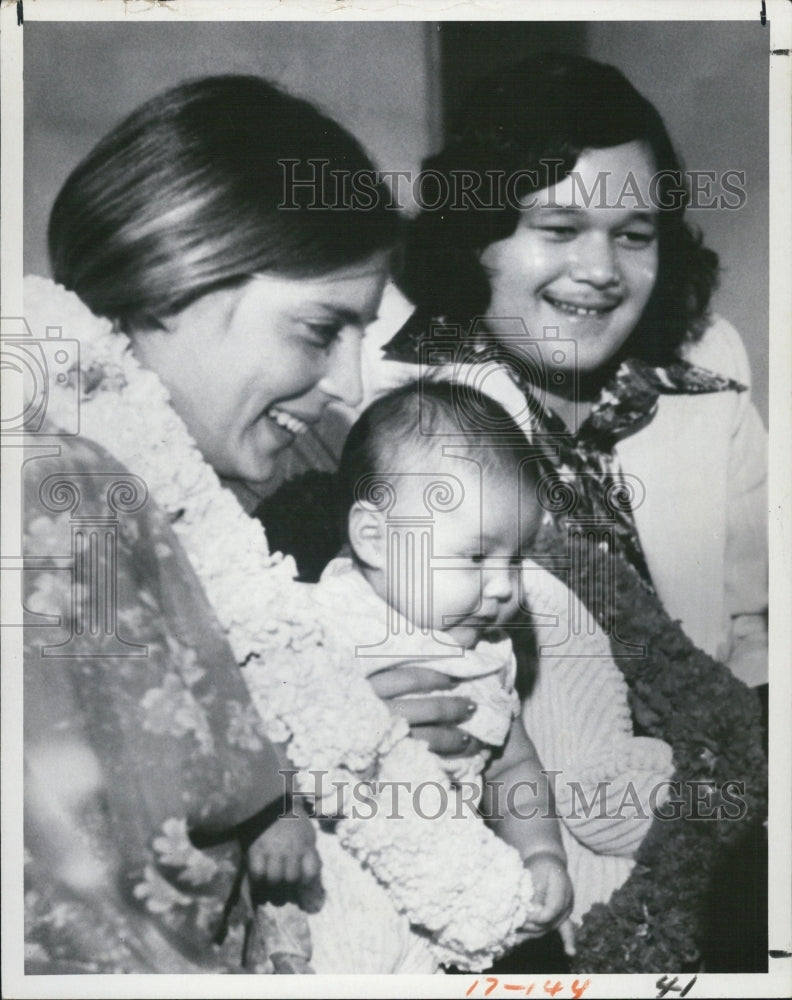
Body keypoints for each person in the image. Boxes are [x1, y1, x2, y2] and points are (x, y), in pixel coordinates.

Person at [23, 74, 499, 975]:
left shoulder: (174, 497)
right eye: (321, 331)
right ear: (174, 278)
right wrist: (294, 773)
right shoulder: (59, 496)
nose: (350, 386)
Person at [357, 52, 767, 971]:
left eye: (635, 233)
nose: (600, 270)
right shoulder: (393, 398)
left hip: (717, 832)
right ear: (478, 235)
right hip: (514, 876)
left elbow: (759, 634)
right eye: (559, 226)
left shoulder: (711, 376)